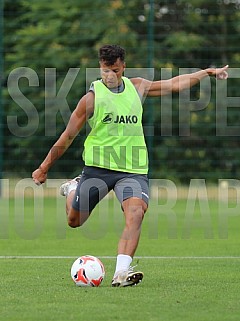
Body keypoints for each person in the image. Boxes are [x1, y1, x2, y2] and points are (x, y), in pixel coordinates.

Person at [32, 44, 228, 287]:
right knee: (74, 221)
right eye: (105, 70)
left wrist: (207, 72)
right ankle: (73, 188)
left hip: (132, 170)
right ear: (100, 68)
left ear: (123, 66)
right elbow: (68, 136)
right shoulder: (91, 99)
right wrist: (44, 167)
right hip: (97, 169)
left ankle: (121, 273)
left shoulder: (138, 87)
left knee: (136, 212)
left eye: (114, 69)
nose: (110, 76)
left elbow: (175, 84)